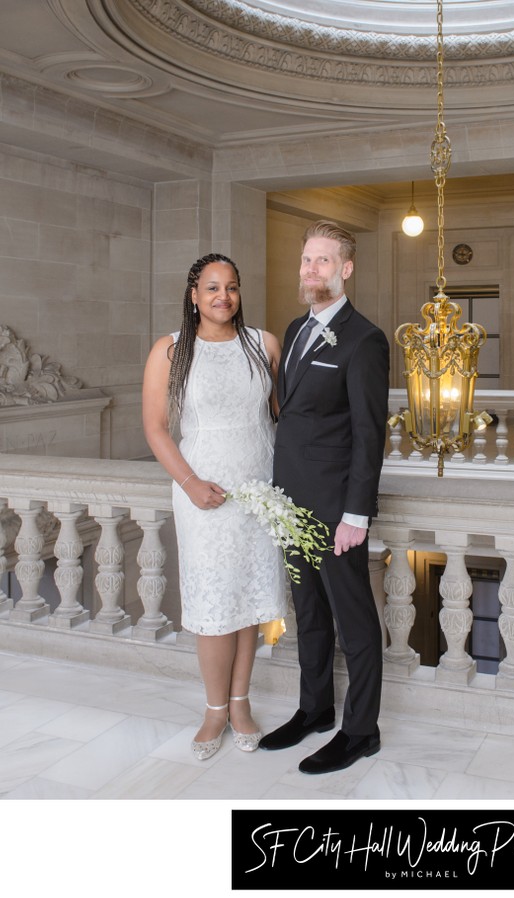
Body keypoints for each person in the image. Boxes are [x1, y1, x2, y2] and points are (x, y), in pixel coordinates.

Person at [142, 253, 286, 760]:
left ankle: (241, 702)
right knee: (213, 605)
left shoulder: (263, 344)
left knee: (249, 598)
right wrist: (189, 482)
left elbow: (280, 418)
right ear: (193, 295)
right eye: (211, 288)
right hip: (201, 491)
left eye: (231, 287)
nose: (223, 296)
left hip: (258, 490)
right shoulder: (170, 350)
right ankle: (214, 710)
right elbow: (156, 428)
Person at [259, 220, 390, 774]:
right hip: (289, 501)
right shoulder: (294, 329)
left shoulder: (365, 339)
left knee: (353, 621)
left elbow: (369, 432)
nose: (310, 269)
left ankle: (361, 731)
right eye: (306, 260)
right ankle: (314, 709)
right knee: (308, 613)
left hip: (336, 508)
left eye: (322, 261)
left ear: (346, 269)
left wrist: (355, 514)